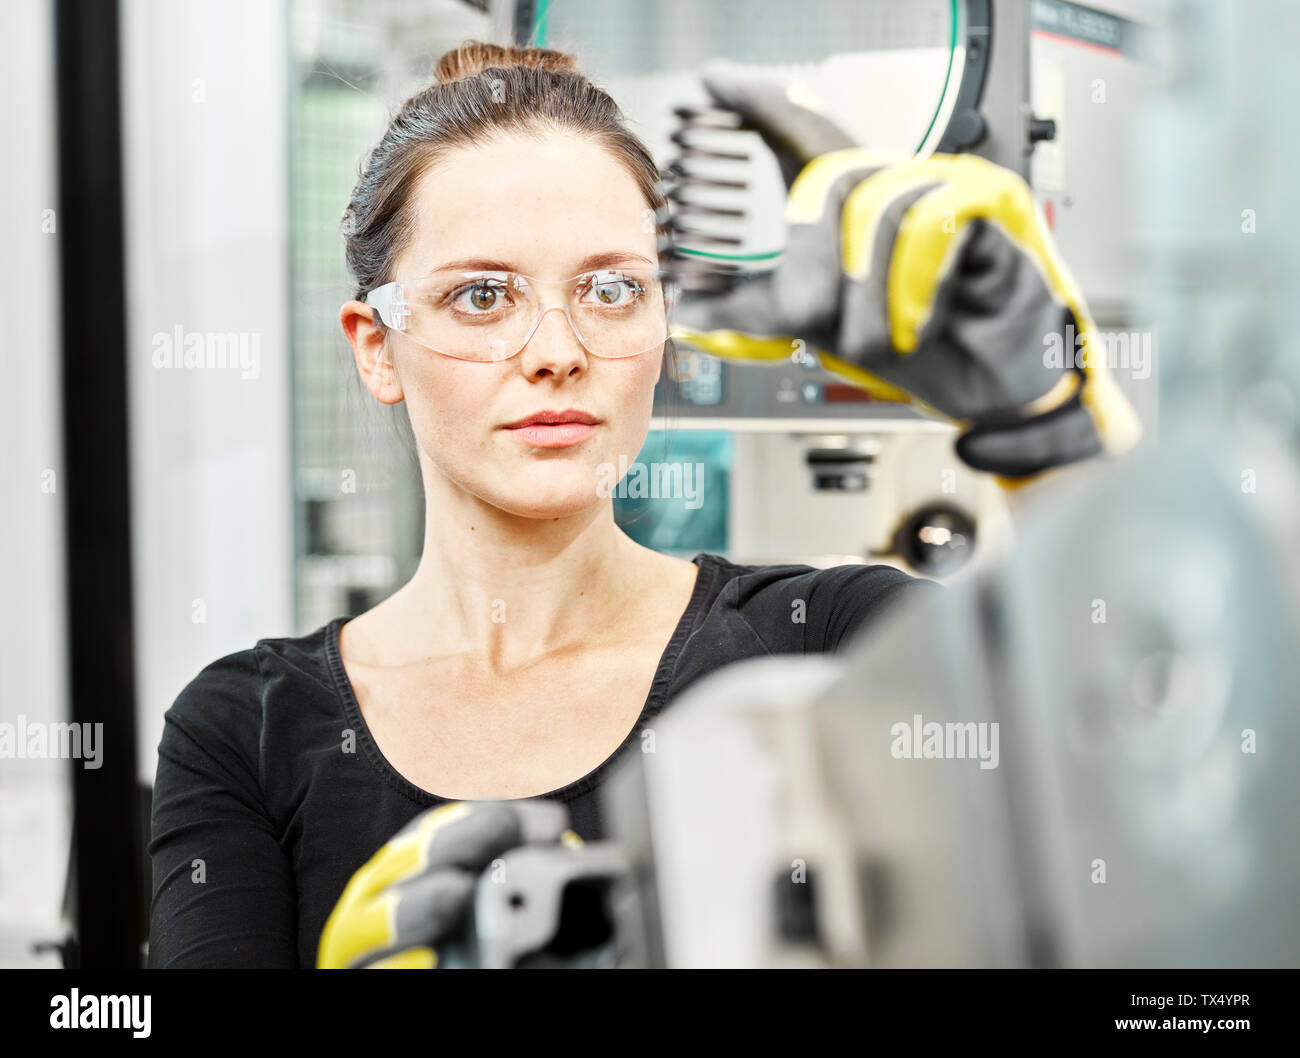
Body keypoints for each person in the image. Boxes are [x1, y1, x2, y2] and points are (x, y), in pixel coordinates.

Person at [149, 41, 1138, 969]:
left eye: (611, 290)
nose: (556, 349)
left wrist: (1051, 428)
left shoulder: (832, 644)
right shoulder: (248, 725)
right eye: (482, 297)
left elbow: (1148, 803)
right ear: (377, 346)